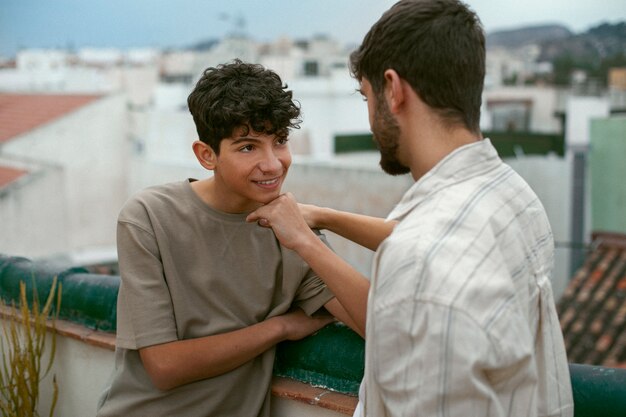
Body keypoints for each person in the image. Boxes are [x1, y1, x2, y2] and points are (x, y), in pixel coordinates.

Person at [247, 1, 574, 416]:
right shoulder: (513, 195)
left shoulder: (420, 260)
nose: (369, 120)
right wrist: (322, 218)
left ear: (394, 89)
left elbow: (424, 252)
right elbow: (436, 237)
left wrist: (306, 242)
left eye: (367, 98)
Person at [96, 60, 356, 417]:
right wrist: (280, 327)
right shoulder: (148, 217)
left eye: (279, 141)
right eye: (248, 147)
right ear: (207, 155)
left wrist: (309, 236)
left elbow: (378, 326)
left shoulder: (294, 233)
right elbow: (164, 366)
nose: (273, 164)